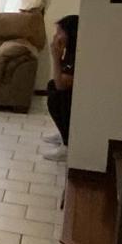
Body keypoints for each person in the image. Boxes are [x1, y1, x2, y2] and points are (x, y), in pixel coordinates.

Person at [43, 15, 78, 160]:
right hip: (73, 93)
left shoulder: (78, 53)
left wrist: (56, 57)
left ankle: (68, 144)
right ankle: (64, 132)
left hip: (81, 98)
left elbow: (61, 84)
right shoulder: (70, 51)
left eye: (59, 32)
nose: (56, 36)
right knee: (51, 86)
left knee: (56, 96)